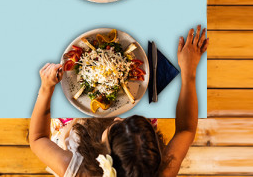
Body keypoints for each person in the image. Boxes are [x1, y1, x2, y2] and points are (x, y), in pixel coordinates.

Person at [29, 26, 208, 176]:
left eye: (116, 126)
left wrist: (46, 88)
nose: (119, 118)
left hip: (77, 129)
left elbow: (38, 139)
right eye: (128, 120)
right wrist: (189, 72)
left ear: (104, 156)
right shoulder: (160, 172)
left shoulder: (78, 171)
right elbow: (186, 130)